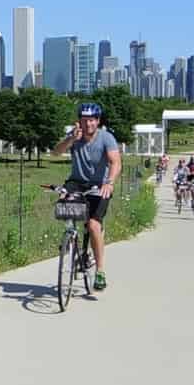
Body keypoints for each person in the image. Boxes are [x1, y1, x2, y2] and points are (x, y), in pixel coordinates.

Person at [52, 103, 121, 291]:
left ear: (98, 121)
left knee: (93, 225)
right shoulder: (74, 135)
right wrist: (70, 140)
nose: (87, 123)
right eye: (84, 120)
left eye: (91, 120)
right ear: (79, 121)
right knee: (65, 206)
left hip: (100, 185)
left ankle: (99, 271)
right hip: (76, 182)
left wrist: (109, 182)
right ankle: (71, 239)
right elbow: (55, 152)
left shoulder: (107, 138)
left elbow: (115, 162)